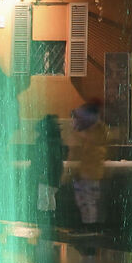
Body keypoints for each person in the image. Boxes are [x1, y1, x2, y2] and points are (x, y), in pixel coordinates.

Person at [66, 100, 110, 228]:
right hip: (89, 174)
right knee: (86, 201)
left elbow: (83, 154)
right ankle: (90, 226)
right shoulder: (96, 132)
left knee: (88, 201)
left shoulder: (92, 134)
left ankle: (90, 227)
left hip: (89, 174)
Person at [34, 113, 67, 244]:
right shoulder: (56, 141)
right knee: (50, 199)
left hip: (45, 176)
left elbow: (41, 159)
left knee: (44, 200)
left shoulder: (43, 141)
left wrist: (40, 172)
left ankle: (45, 225)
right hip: (53, 176)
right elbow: (57, 159)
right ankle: (50, 224)